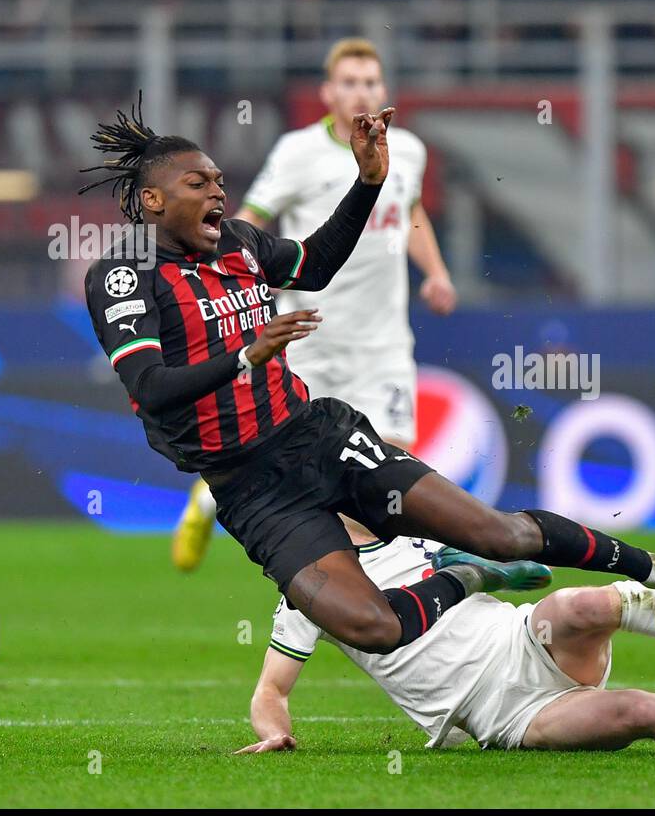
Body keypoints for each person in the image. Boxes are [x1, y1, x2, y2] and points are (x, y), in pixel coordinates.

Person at [81, 94, 655, 660]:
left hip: (316, 436)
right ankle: (467, 579)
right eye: (199, 183)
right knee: (374, 630)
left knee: (500, 531)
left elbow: (312, 266)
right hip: (250, 491)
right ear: (152, 200)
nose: (218, 191)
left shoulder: (242, 244)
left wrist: (367, 182)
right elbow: (149, 386)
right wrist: (245, 356)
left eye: (220, 180)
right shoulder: (122, 277)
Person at [173, 37, 456, 570]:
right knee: (285, 458)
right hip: (309, 337)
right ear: (328, 93)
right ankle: (207, 500)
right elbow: (251, 221)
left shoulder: (409, 151)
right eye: (349, 82)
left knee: (391, 462)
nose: (360, 92)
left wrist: (436, 272)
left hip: (384, 342)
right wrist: (223, 278)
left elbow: (412, 210)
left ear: (384, 90)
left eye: (370, 82)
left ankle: (371, 583)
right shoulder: (297, 152)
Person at [237, 536, 655, 755]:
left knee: (588, 603)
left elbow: (534, 574)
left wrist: (487, 564)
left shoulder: (422, 534)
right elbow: (271, 691)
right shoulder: (311, 591)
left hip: (527, 640)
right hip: (501, 717)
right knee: (634, 713)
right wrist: (273, 732)